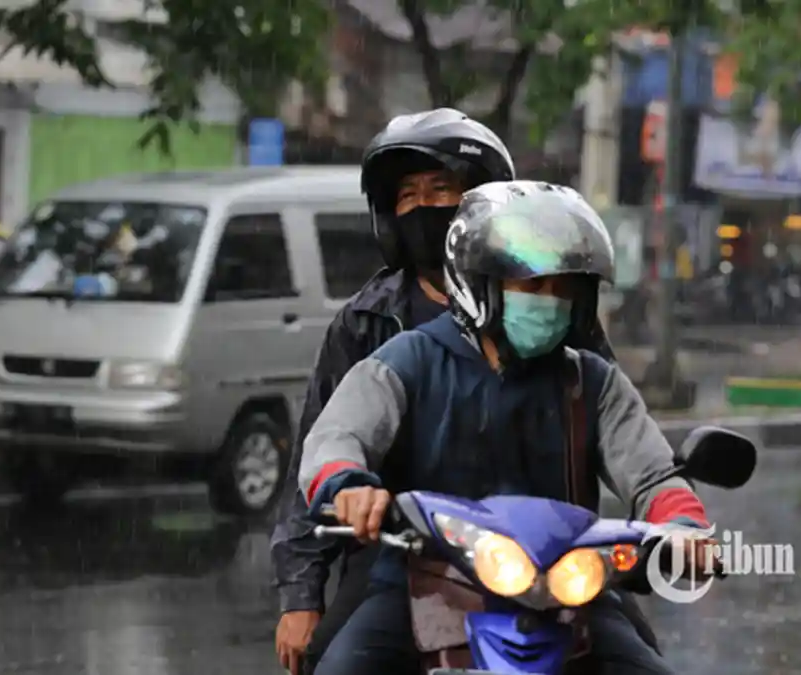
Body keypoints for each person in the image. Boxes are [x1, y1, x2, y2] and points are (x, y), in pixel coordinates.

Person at [298, 182, 720, 675]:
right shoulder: (407, 361)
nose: (551, 302)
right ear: (481, 285)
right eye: (533, 287)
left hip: (564, 585)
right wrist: (350, 486)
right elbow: (337, 438)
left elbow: (653, 476)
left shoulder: (591, 382)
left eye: (565, 289)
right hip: (422, 581)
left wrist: (685, 530)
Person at [269, 110, 624, 675]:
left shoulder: (553, 310)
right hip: (402, 562)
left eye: (441, 188)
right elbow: (324, 450)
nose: (424, 207)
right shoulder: (369, 324)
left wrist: (668, 519)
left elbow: (617, 431)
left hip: (546, 559)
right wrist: (301, 593)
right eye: (407, 196)